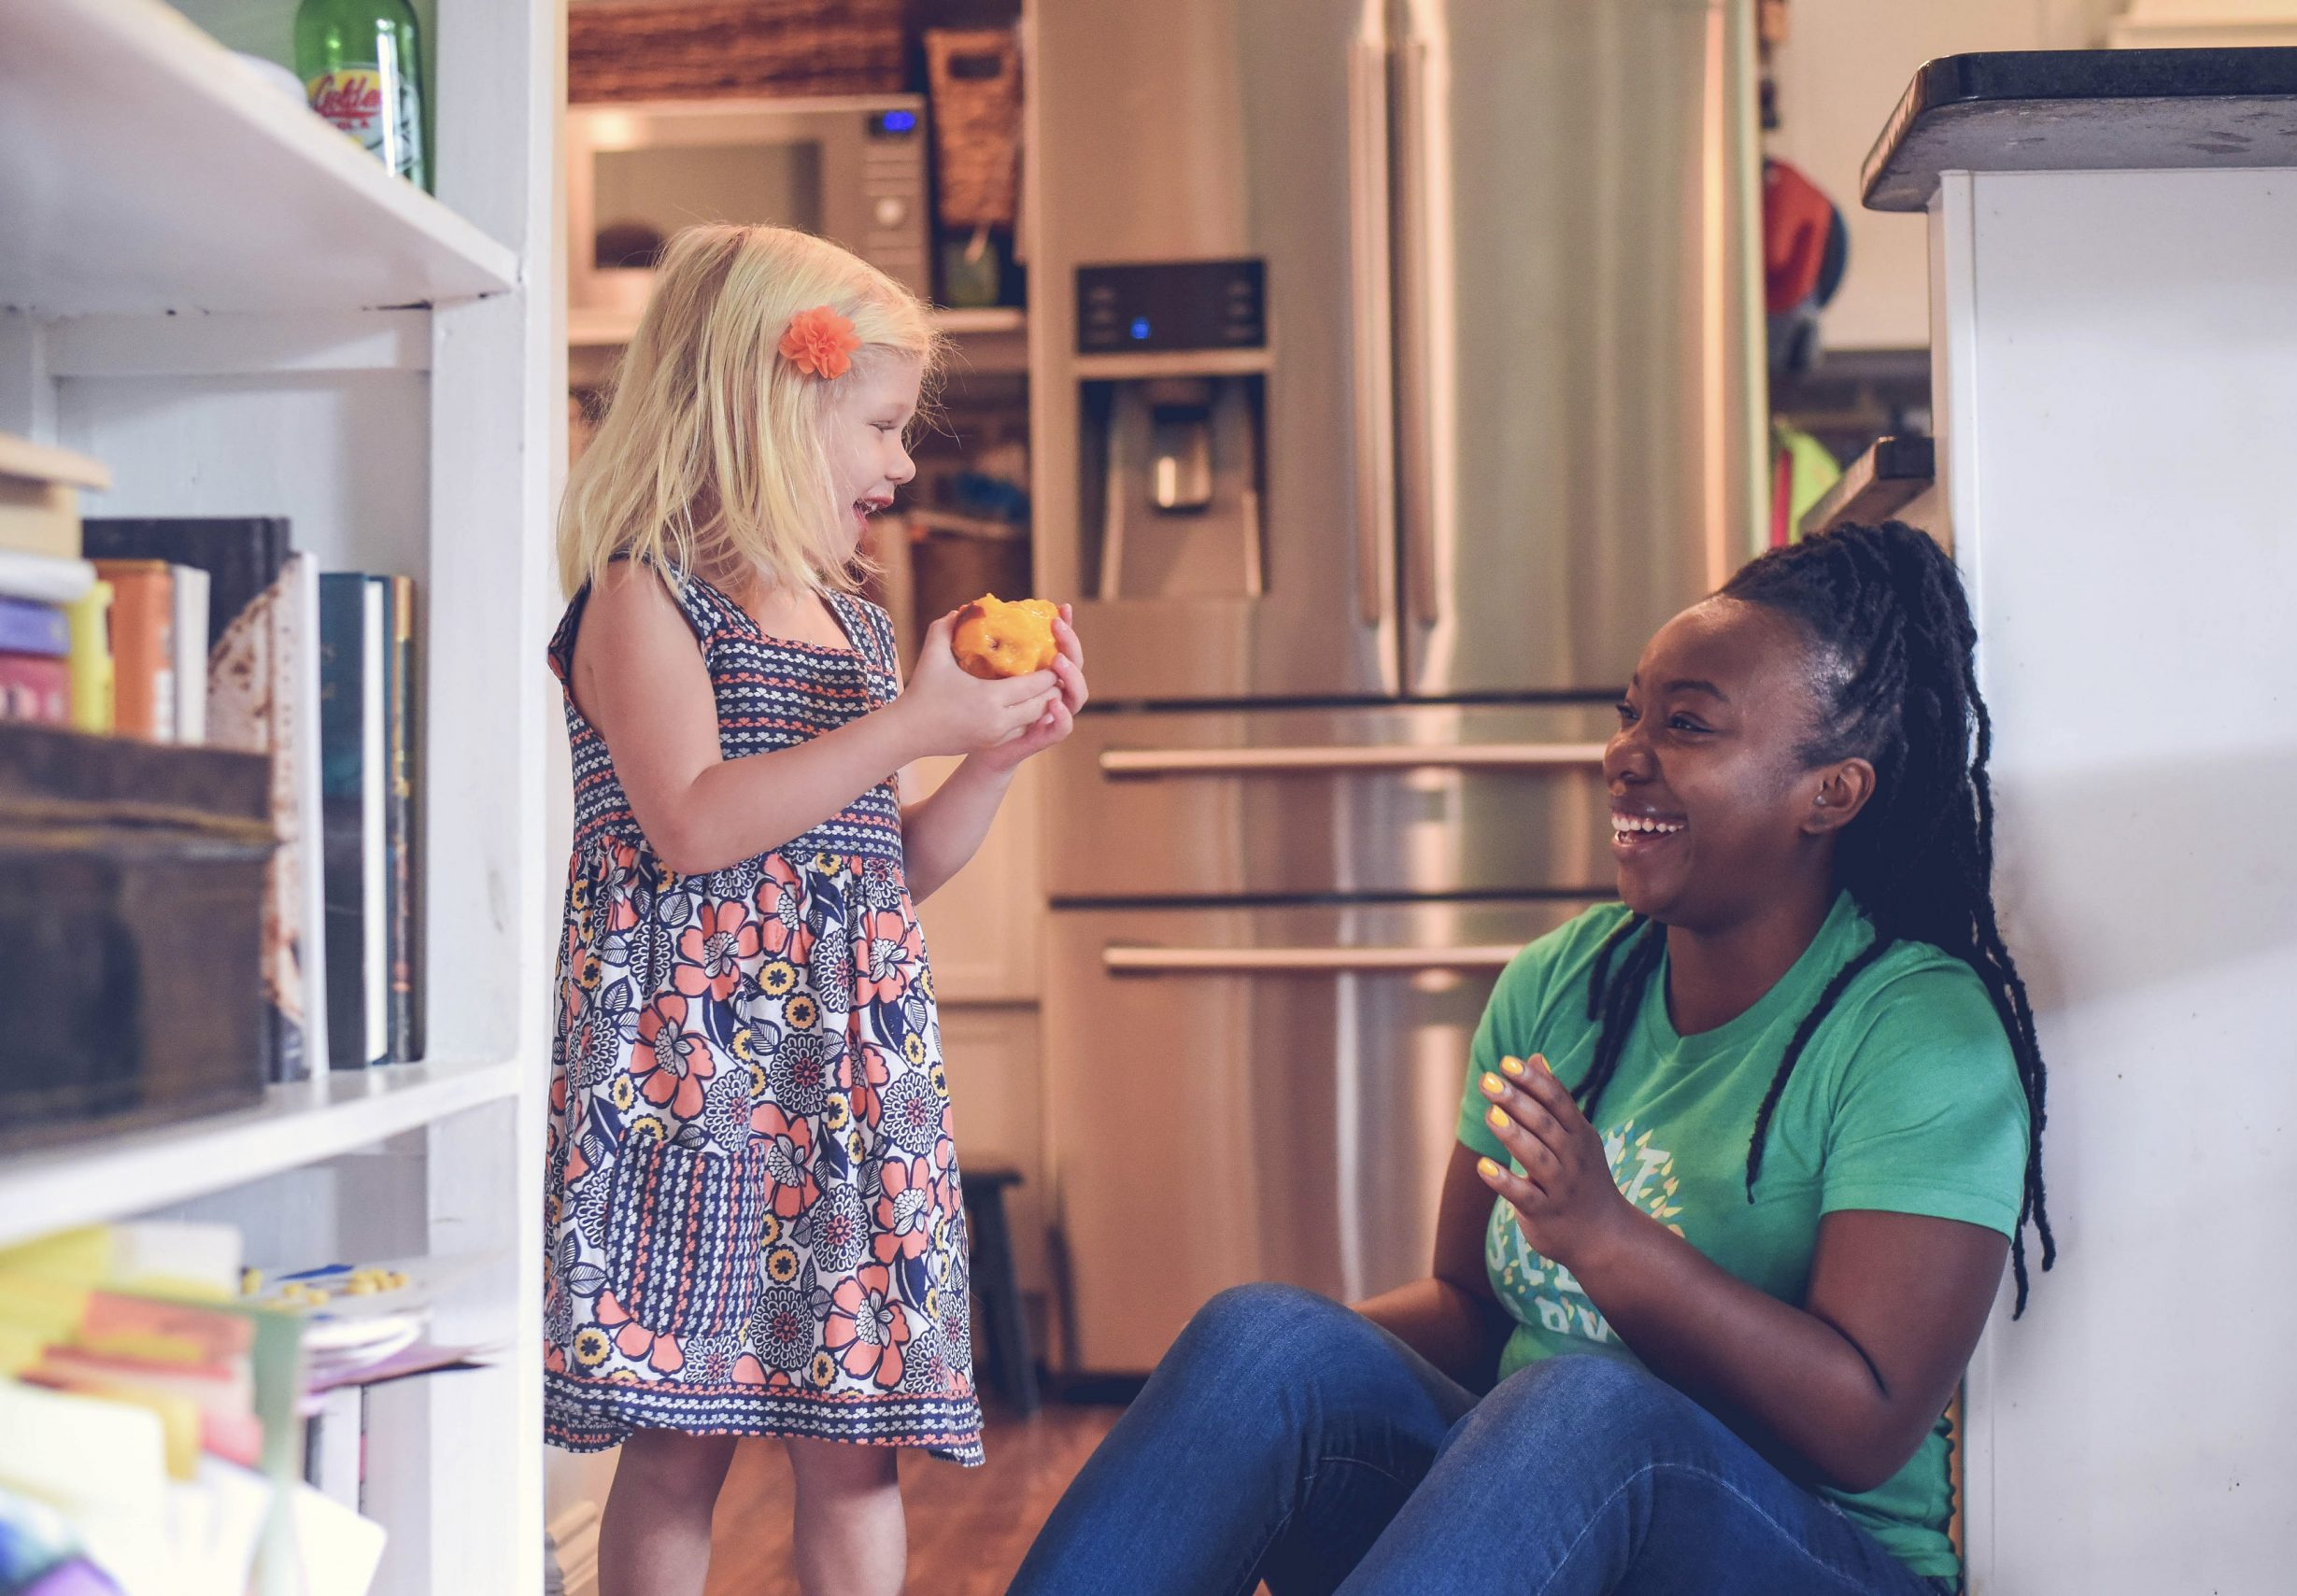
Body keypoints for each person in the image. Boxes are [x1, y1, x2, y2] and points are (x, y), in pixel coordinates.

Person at [1008, 521, 2051, 1596]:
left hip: (1803, 1553)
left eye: (1686, 723)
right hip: (1534, 1535)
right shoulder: (1567, 981)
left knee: (1582, 1407)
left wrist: (1608, 1238)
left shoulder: (1913, 1031)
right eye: (1630, 712)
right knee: (1262, 1340)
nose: (1626, 752)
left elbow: (1865, 1422)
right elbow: (1470, 1302)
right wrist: (1269, 1392)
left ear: (1829, 792)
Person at [541, 223, 1088, 1596]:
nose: (904, 466)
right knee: (683, 1435)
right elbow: (696, 820)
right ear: (775, 408)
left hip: (846, 1082)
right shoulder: (639, 594)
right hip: (694, 1083)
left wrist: (988, 756)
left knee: (855, 1447)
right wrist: (913, 717)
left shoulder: (847, 618)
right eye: (885, 426)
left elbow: (874, 866)